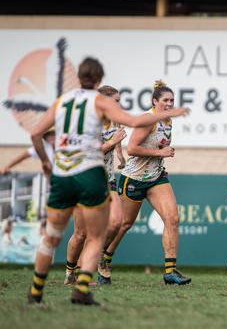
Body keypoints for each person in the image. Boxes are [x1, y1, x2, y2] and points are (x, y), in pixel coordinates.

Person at [27, 57, 189, 305]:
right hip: (91, 174)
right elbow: (134, 122)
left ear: (77, 77)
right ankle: (80, 286)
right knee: (96, 232)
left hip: (63, 173)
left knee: (52, 235)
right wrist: (171, 114)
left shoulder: (62, 101)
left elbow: (36, 133)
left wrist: (46, 162)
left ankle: (36, 291)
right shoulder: (99, 102)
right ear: (100, 79)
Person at [107, 80, 191, 285]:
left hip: (156, 177)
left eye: (172, 100)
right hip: (134, 178)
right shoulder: (148, 119)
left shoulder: (168, 121)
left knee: (172, 218)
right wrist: (160, 152)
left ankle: (170, 271)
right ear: (155, 101)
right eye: (165, 100)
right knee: (124, 224)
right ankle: (104, 258)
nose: (170, 104)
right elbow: (132, 149)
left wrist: (160, 155)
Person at [63, 85, 126, 286]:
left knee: (116, 222)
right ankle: (70, 272)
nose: (119, 104)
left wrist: (119, 153)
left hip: (107, 181)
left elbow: (115, 138)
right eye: (116, 100)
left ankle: (97, 257)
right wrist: (112, 143)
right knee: (81, 233)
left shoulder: (116, 120)